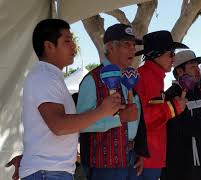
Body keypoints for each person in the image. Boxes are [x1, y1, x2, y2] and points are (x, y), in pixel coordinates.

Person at [13, 19, 122, 180]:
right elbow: (59, 126)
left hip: (51, 171)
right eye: (67, 41)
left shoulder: (50, 77)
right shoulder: (44, 76)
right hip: (48, 172)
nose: (73, 46)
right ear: (48, 46)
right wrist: (102, 111)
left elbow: (47, 129)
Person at [76, 23, 149, 180]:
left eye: (134, 45)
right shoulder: (92, 80)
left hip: (131, 159)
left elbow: (136, 120)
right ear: (110, 47)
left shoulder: (129, 77)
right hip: (104, 165)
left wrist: (139, 151)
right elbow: (80, 124)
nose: (132, 50)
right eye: (126, 45)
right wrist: (119, 118)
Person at [134, 30, 188, 180]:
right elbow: (140, 118)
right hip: (145, 158)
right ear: (156, 55)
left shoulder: (155, 77)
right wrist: (173, 107)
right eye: (171, 53)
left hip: (153, 156)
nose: (174, 58)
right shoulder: (142, 76)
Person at [160, 50, 201, 180]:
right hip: (179, 165)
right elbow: (184, 127)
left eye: (197, 66)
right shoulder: (171, 95)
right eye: (192, 67)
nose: (197, 70)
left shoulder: (200, 94)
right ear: (180, 71)